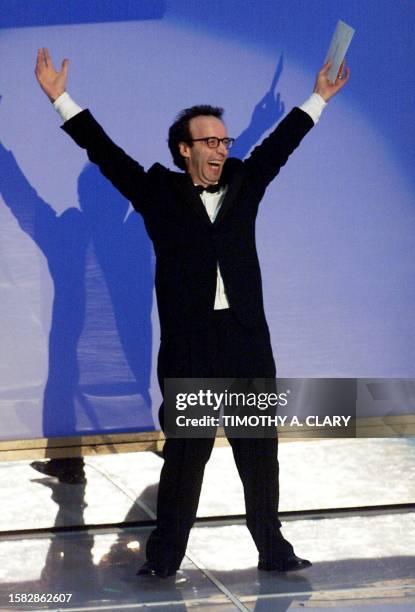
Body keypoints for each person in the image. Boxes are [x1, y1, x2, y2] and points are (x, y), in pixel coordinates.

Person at [35, 47, 349, 577]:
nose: (221, 149)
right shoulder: (158, 192)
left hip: (247, 338)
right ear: (184, 150)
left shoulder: (245, 180)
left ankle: (272, 549)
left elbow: (279, 148)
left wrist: (317, 96)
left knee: (259, 453)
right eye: (210, 141)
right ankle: (163, 558)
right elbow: (106, 153)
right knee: (187, 457)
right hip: (192, 344)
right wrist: (60, 98)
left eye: (224, 141)